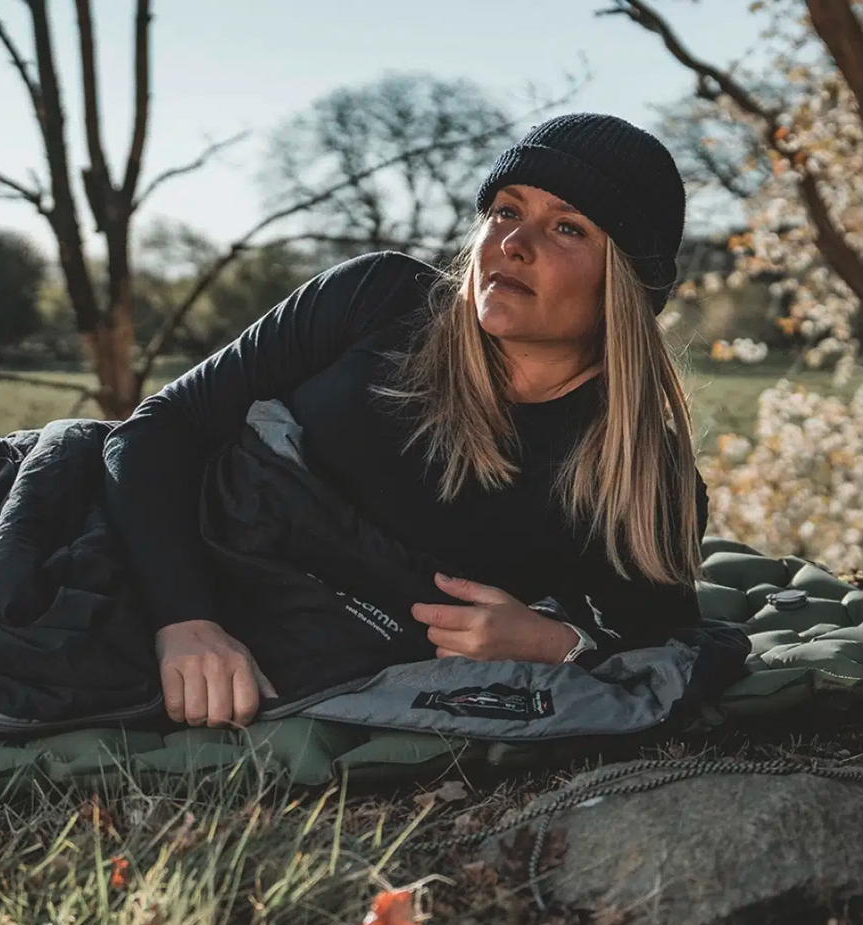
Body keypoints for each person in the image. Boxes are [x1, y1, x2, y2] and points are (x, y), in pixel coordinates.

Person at [102, 112, 707, 730]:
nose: (513, 244)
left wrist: (558, 644)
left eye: (567, 228)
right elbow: (157, 430)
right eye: (505, 210)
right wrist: (184, 620)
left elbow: (670, 639)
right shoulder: (376, 297)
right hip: (127, 547)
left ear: (628, 282)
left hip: (298, 654)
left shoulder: (637, 473)